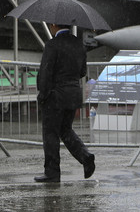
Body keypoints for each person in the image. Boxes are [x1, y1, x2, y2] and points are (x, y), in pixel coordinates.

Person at [34, 23, 95, 183]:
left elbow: (46, 72)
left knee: (51, 134)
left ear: (54, 25)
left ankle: (52, 172)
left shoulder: (52, 45)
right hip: (73, 95)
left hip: (55, 97)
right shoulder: (78, 44)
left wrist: (43, 94)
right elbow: (82, 71)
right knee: (66, 130)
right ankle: (85, 156)